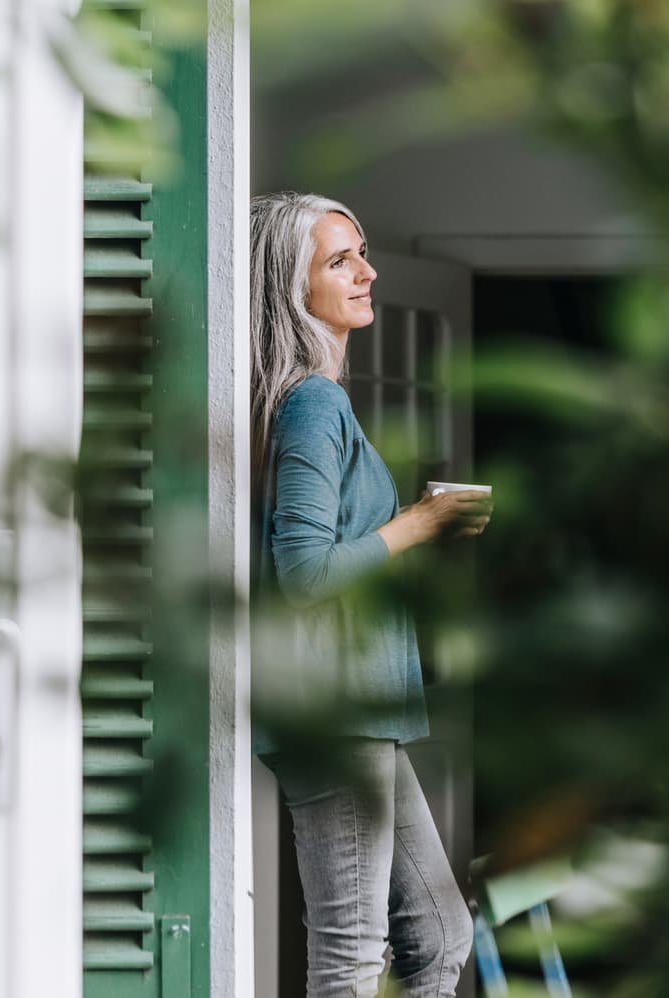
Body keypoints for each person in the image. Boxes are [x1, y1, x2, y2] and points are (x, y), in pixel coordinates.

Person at [250, 191, 492, 998]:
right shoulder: (312, 404)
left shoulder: (313, 400)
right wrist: (419, 524)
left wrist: (420, 524)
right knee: (352, 957)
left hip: (365, 713)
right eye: (339, 260)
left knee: (441, 934)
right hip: (338, 710)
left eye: (361, 252)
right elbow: (305, 572)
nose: (367, 272)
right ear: (293, 289)